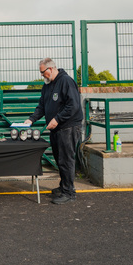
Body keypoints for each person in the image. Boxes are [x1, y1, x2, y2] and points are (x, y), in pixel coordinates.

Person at [25, 58, 83, 204]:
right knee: (59, 159)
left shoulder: (66, 81)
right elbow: (42, 106)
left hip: (68, 127)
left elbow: (73, 105)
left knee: (66, 160)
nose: (42, 75)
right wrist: (31, 119)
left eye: (43, 72)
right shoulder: (47, 86)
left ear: (50, 69)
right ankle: (63, 187)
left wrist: (57, 119)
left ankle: (69, 193)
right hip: (57, 129)